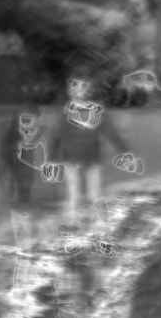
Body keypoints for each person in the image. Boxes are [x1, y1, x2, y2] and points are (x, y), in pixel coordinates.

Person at [49, 70, 129, 225]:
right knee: (75, 194)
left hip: (90, 158)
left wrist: (123, 150)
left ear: (88, 90)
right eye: (75, 87)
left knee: (92, 193)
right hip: (72, 158)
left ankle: (100, 223)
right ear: (69, 90)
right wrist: (51, 158)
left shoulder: (94, 111)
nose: (78, 90)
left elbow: (110, 131)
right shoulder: (66, 113)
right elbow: (56, 136)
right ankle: (75, 223)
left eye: (82, 87)